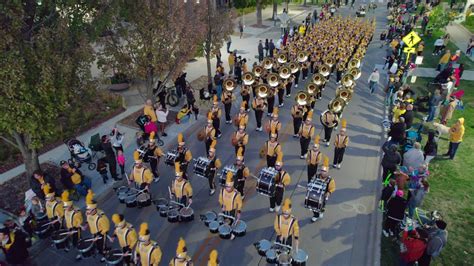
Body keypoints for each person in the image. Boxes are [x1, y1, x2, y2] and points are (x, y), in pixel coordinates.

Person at [84, 190, 110, 262]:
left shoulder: (101, 217)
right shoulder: (88, 213)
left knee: (102, 246)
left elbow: (106, 228)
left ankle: (105, 255)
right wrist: (86, 224)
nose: (87, 211)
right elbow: (88, 219)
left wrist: (99, 235)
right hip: (94, 232)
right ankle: (104, 250)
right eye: (87, 209)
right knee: (97, 244)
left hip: (101, 233)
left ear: (94, 210)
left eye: (89, 210)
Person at [219, 171, 243, 240]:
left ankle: (231, 233)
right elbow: (220, 199)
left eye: (229, 187)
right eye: (226, 186)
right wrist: (222, 205)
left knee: (231, 222)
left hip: (232, 210)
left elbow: (240, 203)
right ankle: (226, 229)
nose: (227, 188)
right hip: (224, 209)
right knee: (224, 219)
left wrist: (238, 212)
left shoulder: (236, 194)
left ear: (232, 186)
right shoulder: (222, 191)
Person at [61, 191, 83, 259]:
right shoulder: (66, 210)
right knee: (71, 238)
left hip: (75, 228)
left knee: (77, 241)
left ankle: (80, 253)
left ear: (70, 206)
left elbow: (80, 220)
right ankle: (71, 244)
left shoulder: (76, 211)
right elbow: (66, 218)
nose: (65, 209)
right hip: (69, 227)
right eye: (64, 207)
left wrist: (77, 226)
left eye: (66, 207)